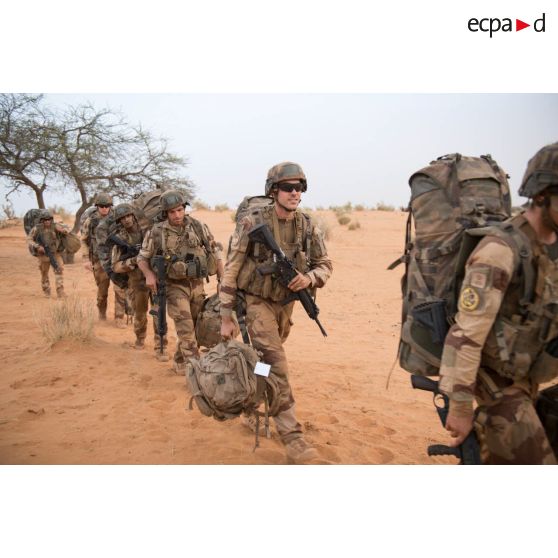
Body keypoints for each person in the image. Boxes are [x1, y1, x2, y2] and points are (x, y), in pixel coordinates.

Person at [440, 142, 558, 464]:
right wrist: (461, 407)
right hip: (495, 381)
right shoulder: (500, 250)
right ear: (543, 194)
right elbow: (466, 335)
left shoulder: (553, 247)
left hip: (531, 372)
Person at [219, 162, 333, 463]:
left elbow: (325, 265)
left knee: (263, 362)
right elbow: (231, 268)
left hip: (286, 305)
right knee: (277, 364)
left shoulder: (306, 225)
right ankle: (293, 439)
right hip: (256, 303)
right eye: (288, 187)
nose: (295, 193)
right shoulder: (253, 222)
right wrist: (225, 315)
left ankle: (255, 409)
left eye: (300, 187)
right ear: (274, 190)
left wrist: (309, 278)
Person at [138, 190, 224, 371]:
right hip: (174, 286)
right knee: (186, 330)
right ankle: (196, 373)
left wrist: (222, 278)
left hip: (197, 285)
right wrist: (149, 274)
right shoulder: (156, 232)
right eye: (172, 212)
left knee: (195, 326)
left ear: (184, 209)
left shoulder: (198, 226)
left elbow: (215, 252)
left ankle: (179, 361)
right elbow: (142, 258)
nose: (177, 215)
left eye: (179, 210)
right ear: (165, 213)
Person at [111, 203, 166, 352]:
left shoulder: (149, 230)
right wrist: (133, 261)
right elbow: (115, 266)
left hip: (155, 279)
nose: (126, 220)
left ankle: (160, 345)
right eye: (122, 218)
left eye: (128, 216)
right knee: (140, 314)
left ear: (133, 215)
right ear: (119, 221)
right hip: (136, 281)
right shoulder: (120, 238)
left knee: (158, 313)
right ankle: (140, 340)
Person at [81, 193, 127, 327]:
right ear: (97, 206)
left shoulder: (117, 218)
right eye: (102, 206)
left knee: (120, 289)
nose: (105, 209)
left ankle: (119, 317)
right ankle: (102, 314)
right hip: (99, 260)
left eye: (107, 206)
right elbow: (84, 240)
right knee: (102, 291)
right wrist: (86, 259)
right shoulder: (92, 220)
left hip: (117, 258)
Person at [27, 209, 69, 298]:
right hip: (43, 255)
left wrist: (62, 230)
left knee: (59, 270)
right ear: (41, 220)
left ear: (51, 219)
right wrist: (37, 246)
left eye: (49, 219)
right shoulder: (37, 228)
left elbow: (67, 231)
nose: (47, 221)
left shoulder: (55, 226)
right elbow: (29, 239)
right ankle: (47, 291)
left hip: (55, 253)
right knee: (44, 273)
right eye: (45, 219)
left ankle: (60, 292)